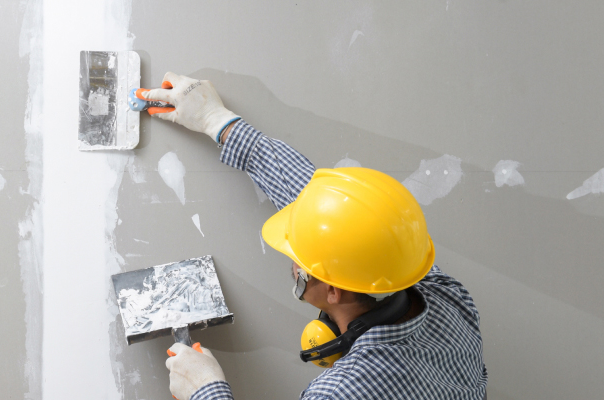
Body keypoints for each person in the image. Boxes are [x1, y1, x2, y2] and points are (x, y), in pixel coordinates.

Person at [142, 73, 488, 400]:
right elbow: (337, 212)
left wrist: (205, 388)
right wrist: (216, 120)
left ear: (333, 291)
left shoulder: (341, 391)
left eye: (299, 255)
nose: (291, 252)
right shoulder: (444, 295)